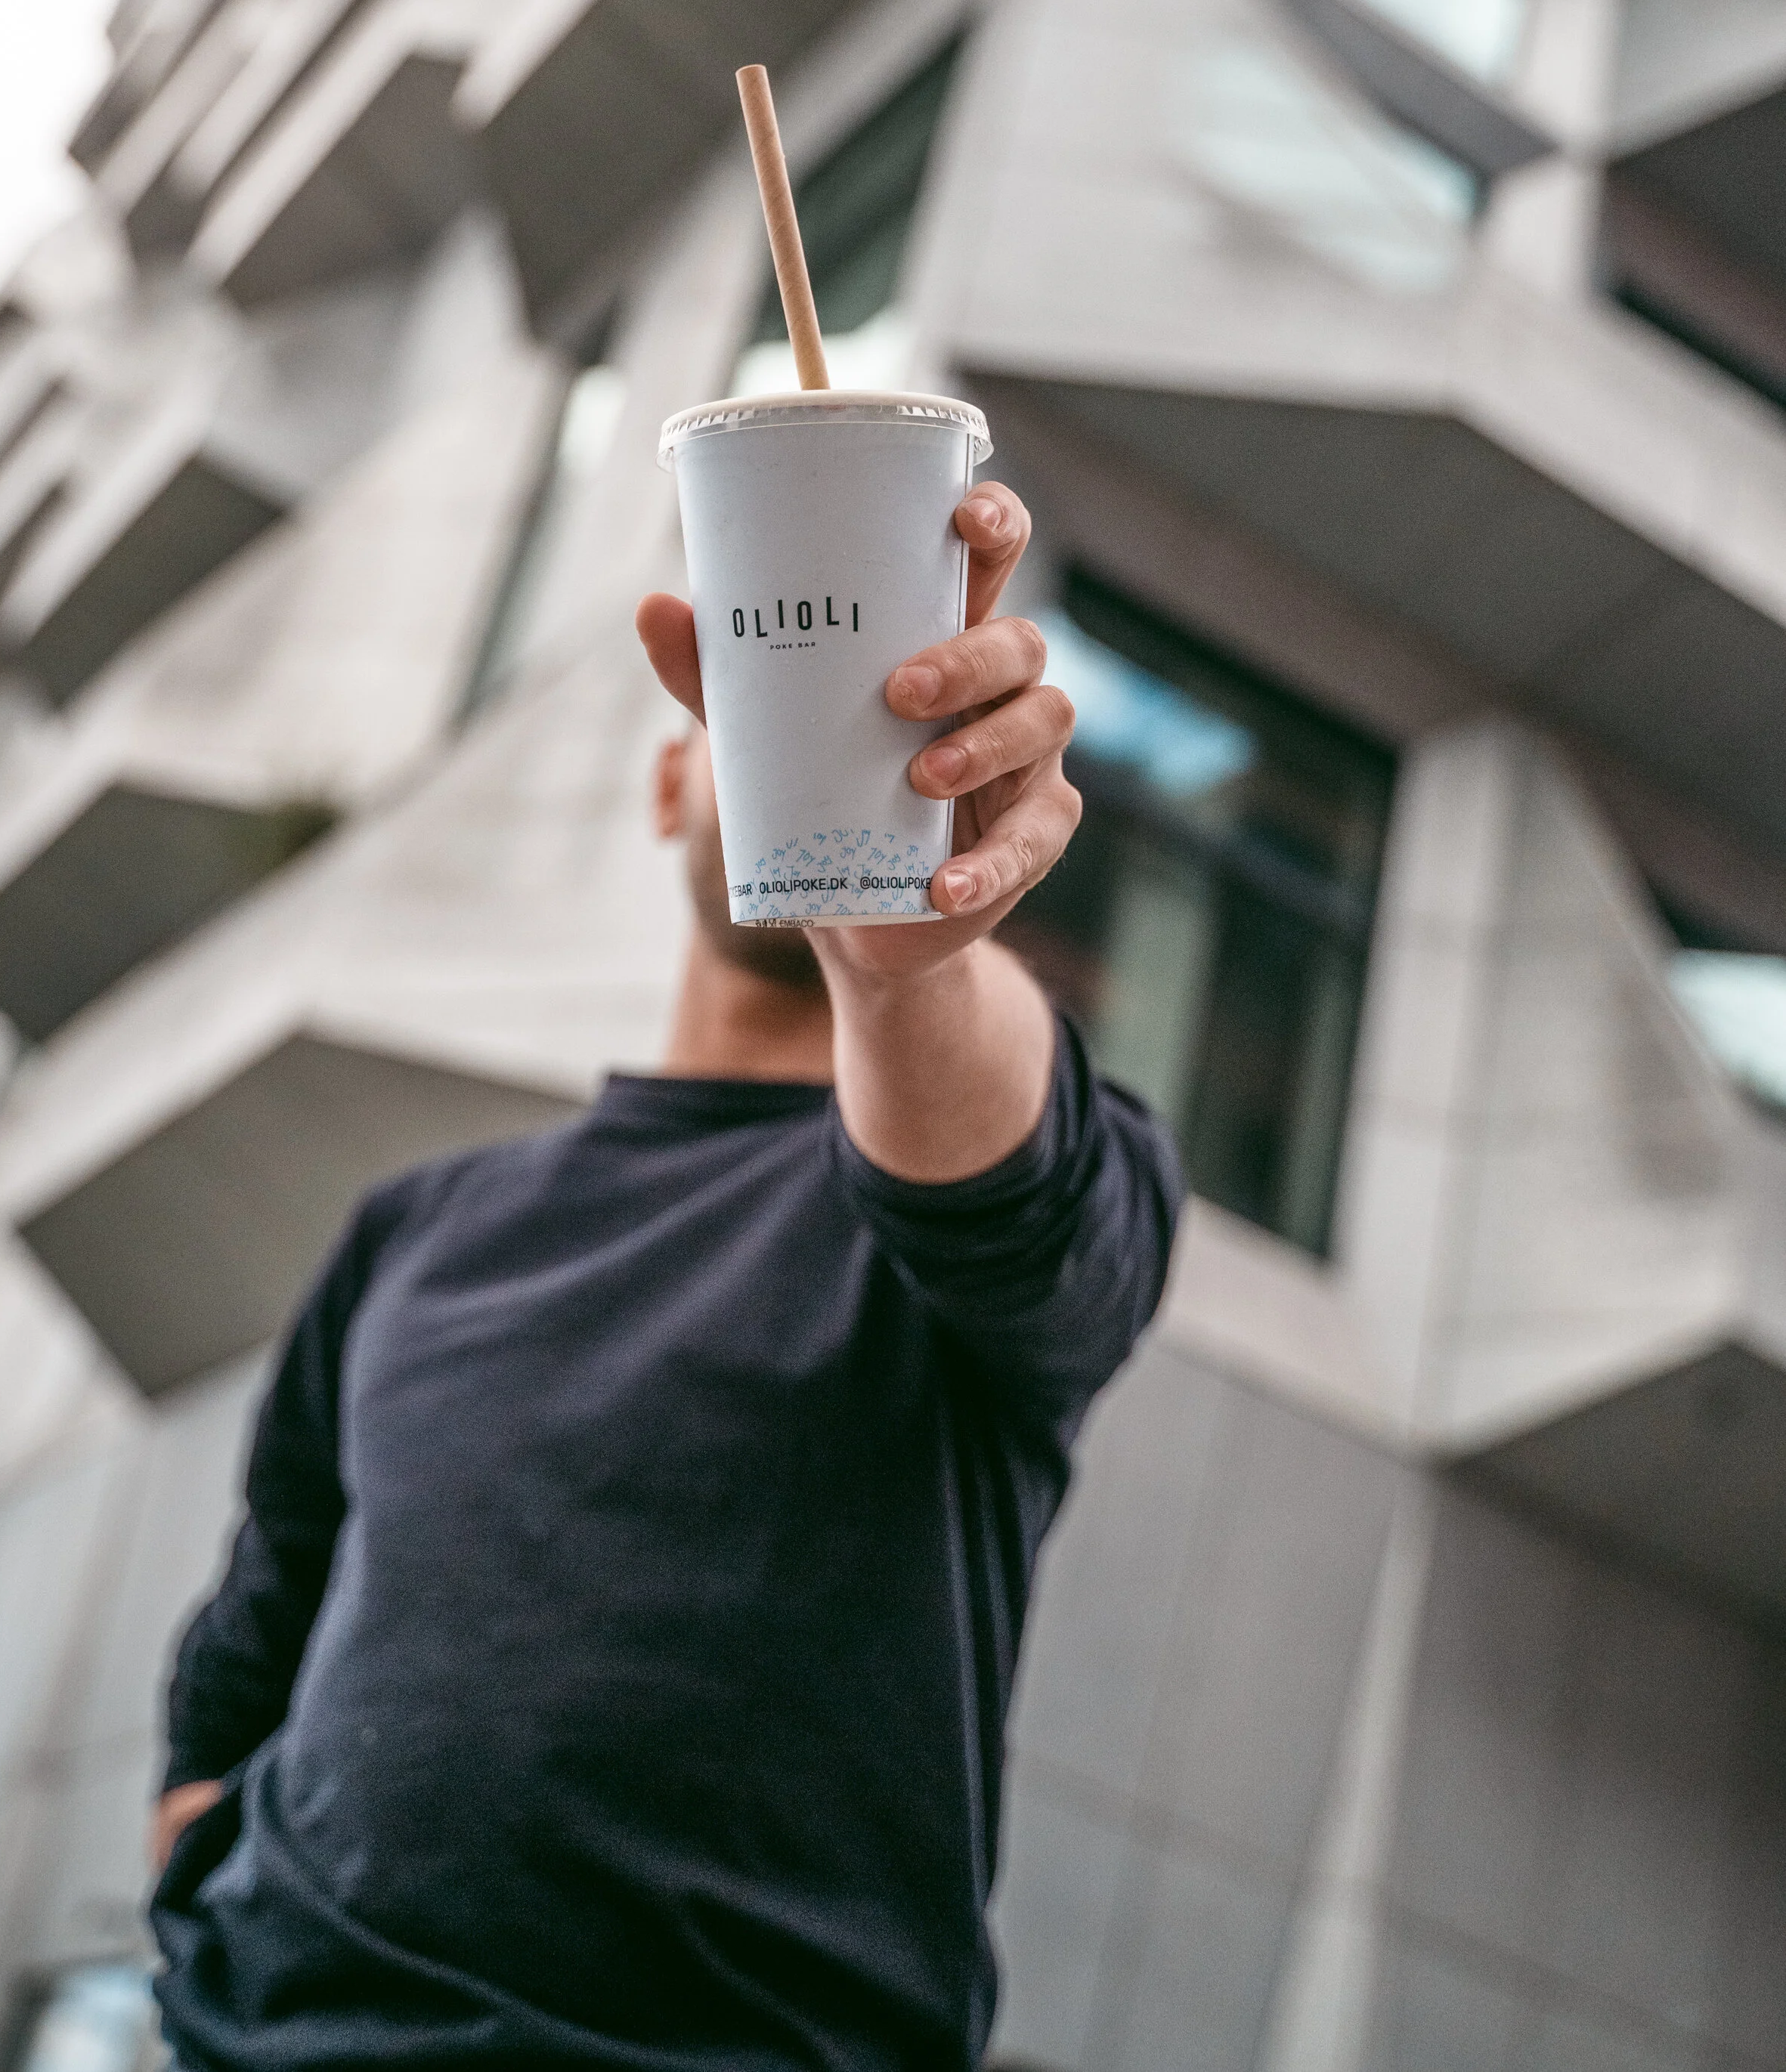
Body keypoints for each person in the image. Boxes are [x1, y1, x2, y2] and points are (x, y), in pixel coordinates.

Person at [149, 483, 1184, 2072]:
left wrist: (900, 949)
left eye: (873, 710)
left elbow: (1012, 1193)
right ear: (663, 782)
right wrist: (203, 1882)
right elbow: (258, 1620)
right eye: (766, 702)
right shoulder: (420, 1228)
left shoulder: (1003, 1173)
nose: (821, 742)